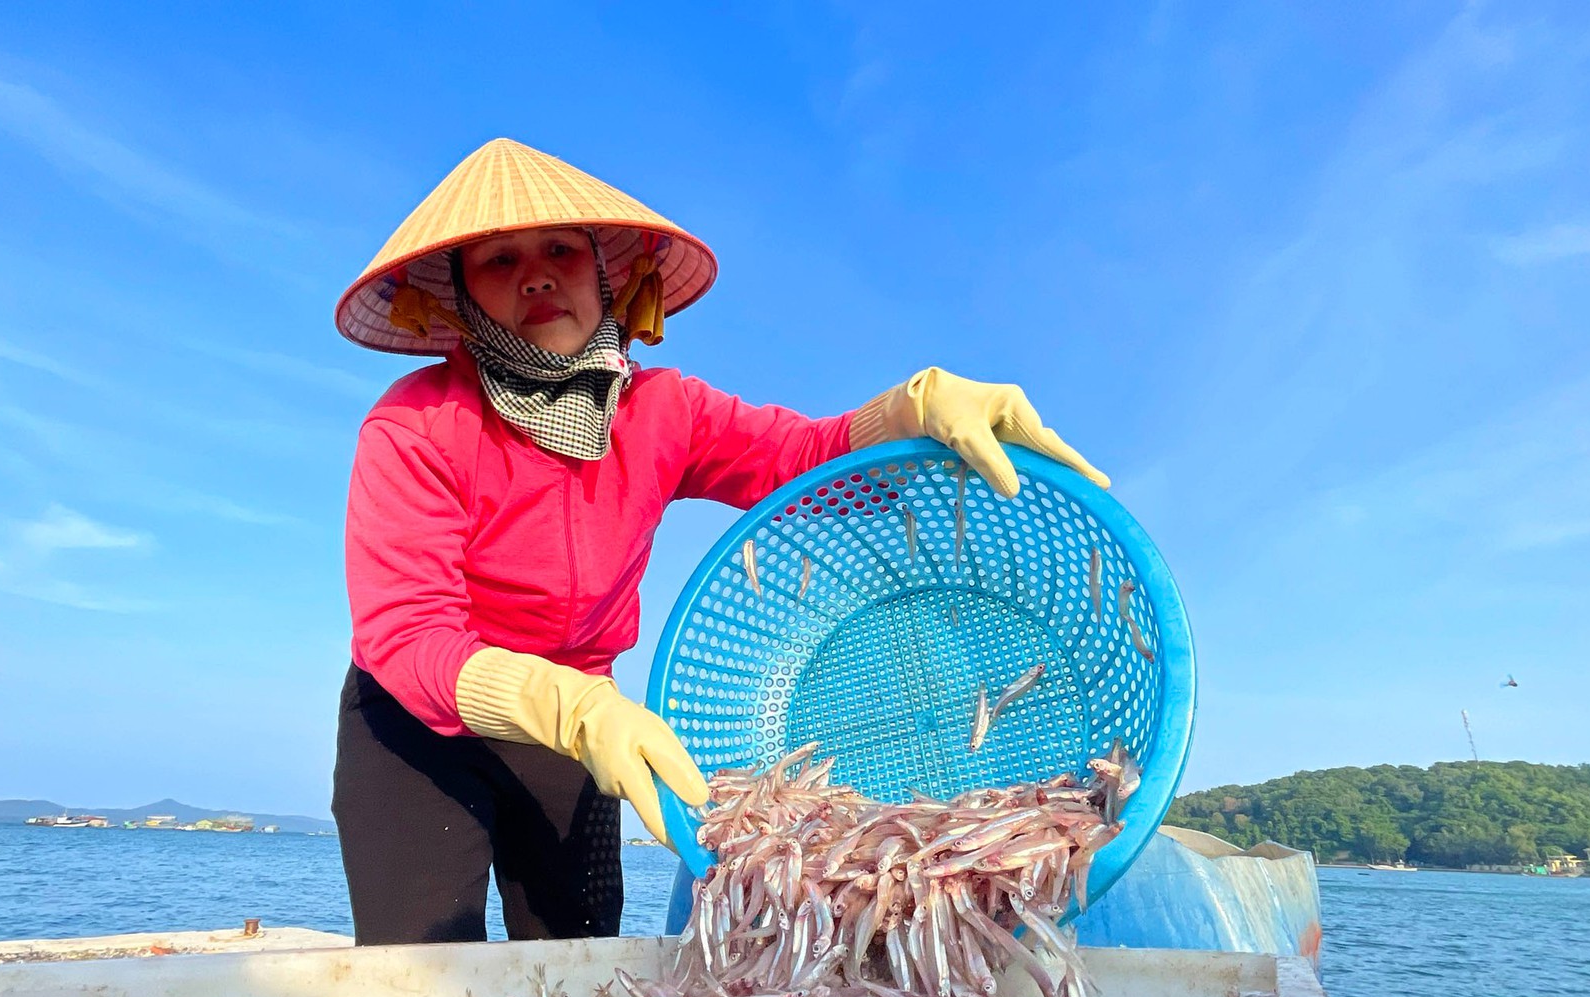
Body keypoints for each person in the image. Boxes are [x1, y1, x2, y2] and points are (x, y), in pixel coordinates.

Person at [332, 139, 1110, 946]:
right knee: (413, 975)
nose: (537, 273)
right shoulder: (414, 426)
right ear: (459, 298)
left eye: (562, 249)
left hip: (579, 735)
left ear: (607, 276)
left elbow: (799, 458)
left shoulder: (665, 410)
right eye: (499, 260)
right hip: (425, 728)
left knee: (575, 958)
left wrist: (912, 409)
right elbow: (407, 634)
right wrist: (573, 709)